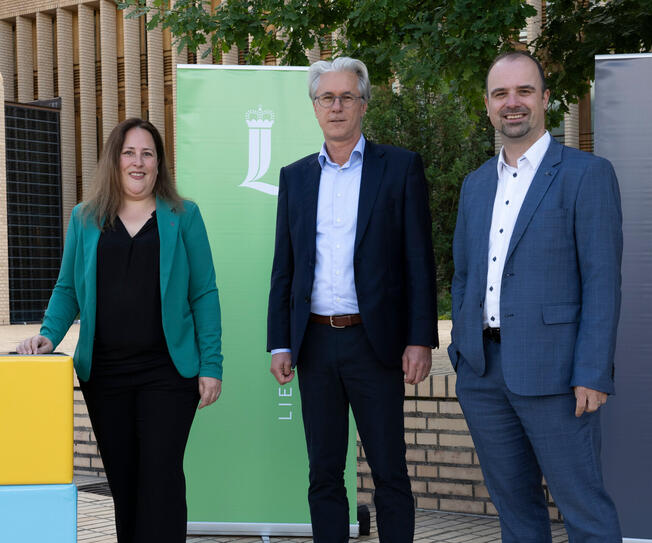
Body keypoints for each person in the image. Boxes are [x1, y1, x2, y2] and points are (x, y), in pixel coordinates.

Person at [18, 117, 222, 542]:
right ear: (114, 160)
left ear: (159, 163)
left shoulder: (183, 216)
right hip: (105, 374)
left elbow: (203, 293)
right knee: (125, 483)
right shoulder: (85, 218)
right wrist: (48, 334)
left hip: (169, 372)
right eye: (129, 152)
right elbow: (68, 286)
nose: (138, 161)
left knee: (161, 479)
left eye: (148, 153)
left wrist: (212, 364)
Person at [448, 50, 622, 542]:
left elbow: (602, 282)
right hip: (484, 377)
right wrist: (463, 354)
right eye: (501, 94)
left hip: (559, 376)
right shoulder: (476, 185)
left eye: (524, 91)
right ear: (487, 105)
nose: (513, 103)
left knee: (584, 510)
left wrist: (592, 371)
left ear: (545, 99)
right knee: (515, 513)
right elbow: (464, 276)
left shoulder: (587, 175)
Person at [267, 57, 438, 543]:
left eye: (346, 97)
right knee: (323, 472)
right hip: (314, 344)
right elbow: (285, 267)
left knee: (390, 470)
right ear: (315, 107)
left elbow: (418, 262)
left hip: (375, 342)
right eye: (327, 98)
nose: (336, 106)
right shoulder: (295, 177)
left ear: (363, 103)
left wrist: (420, 338)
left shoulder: (400, 168)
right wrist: (280, 341)